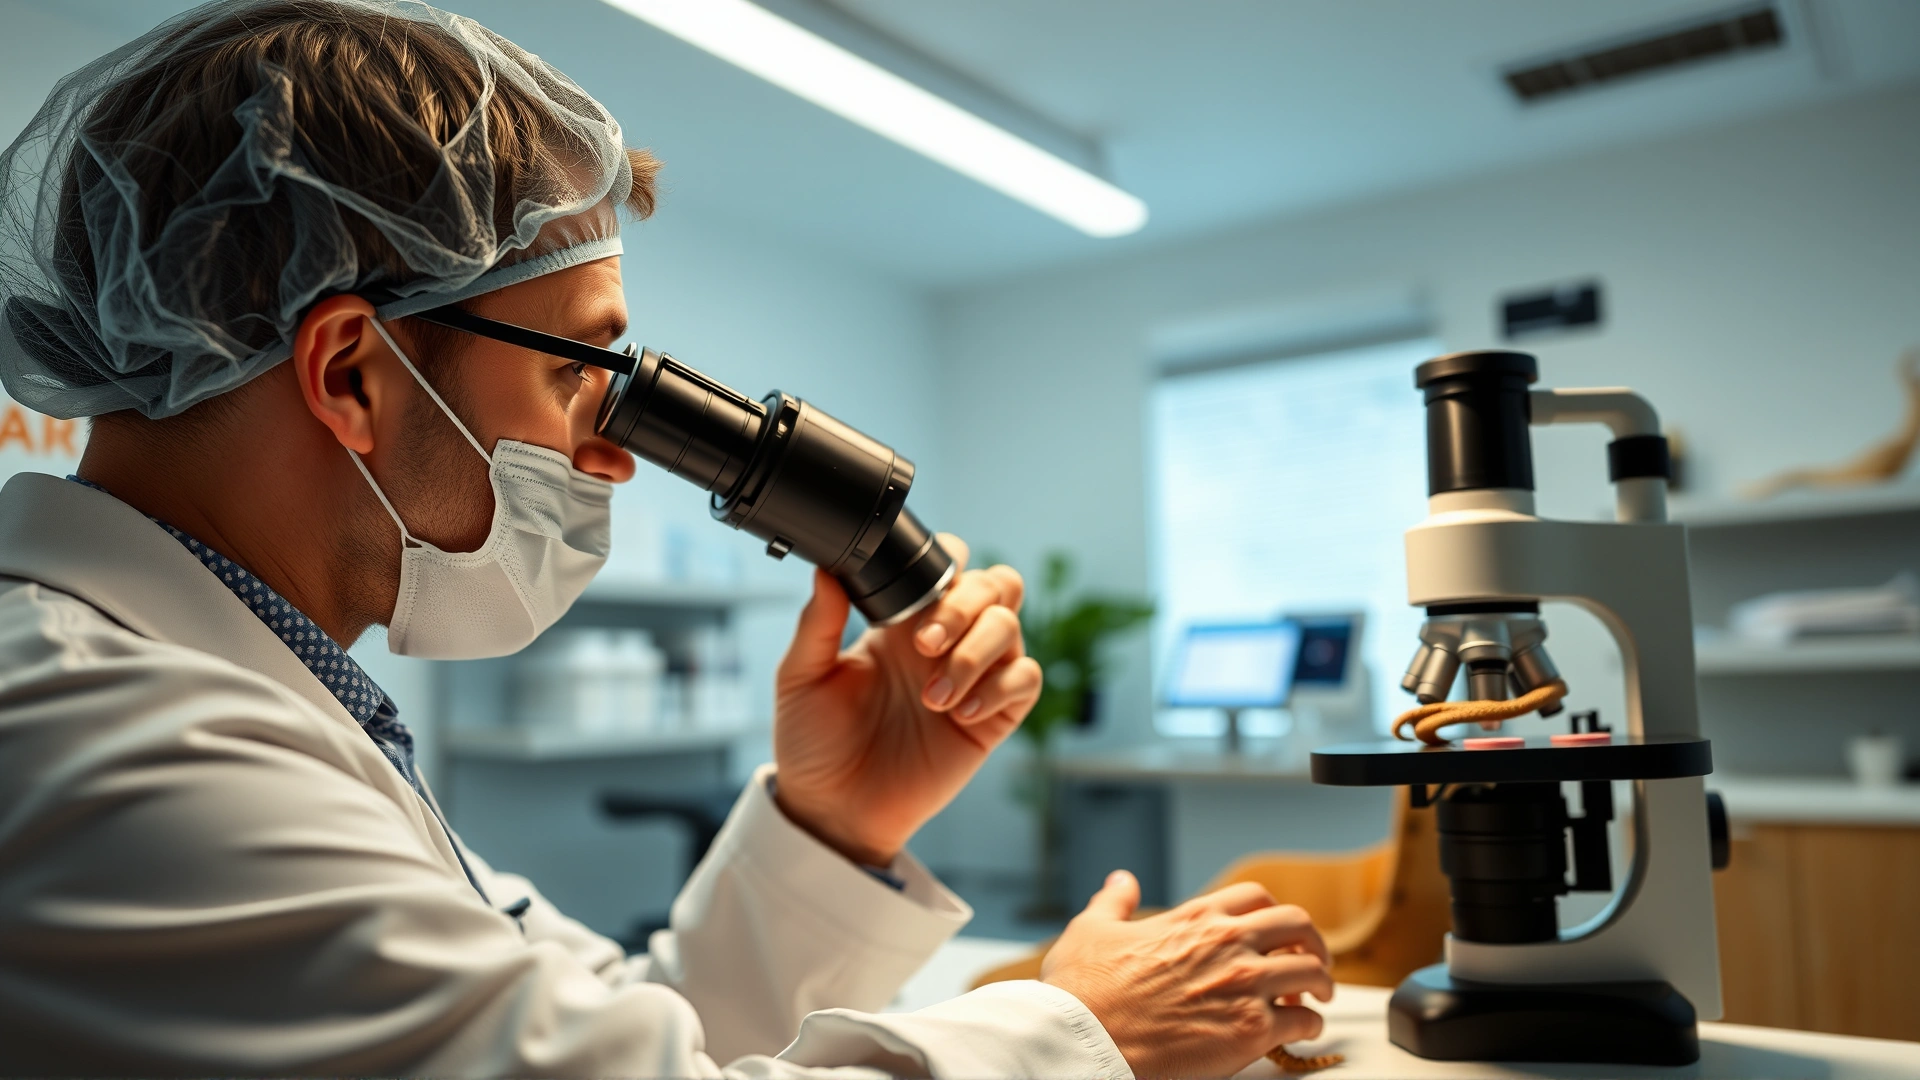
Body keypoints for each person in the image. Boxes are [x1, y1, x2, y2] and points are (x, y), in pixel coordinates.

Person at [0, 2, 1333, 1075]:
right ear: (352, 373)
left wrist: (834, 824)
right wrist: (1073, 1036)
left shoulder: (245, 697)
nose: (615, 449)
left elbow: (625, 1035)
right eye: (581, 368)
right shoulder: (104, 744)